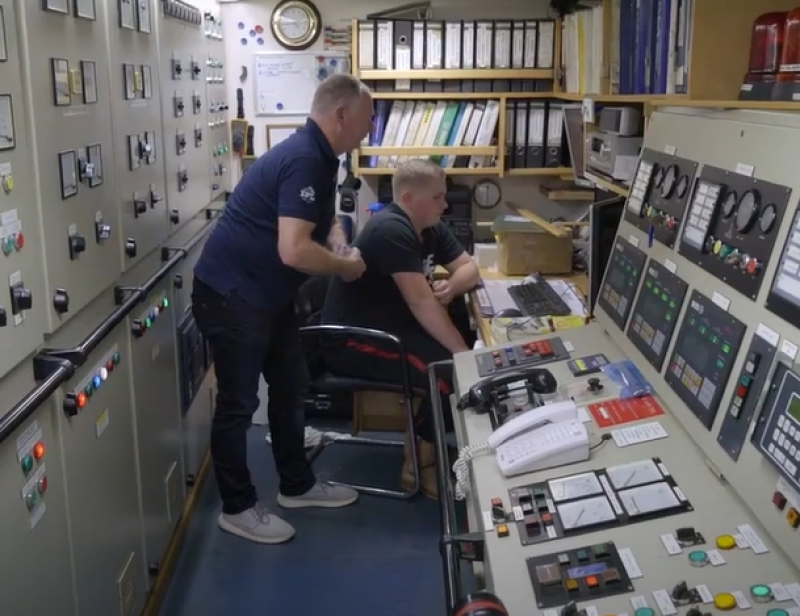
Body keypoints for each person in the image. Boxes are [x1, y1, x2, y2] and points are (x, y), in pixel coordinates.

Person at [191, 73, 374, 544]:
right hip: (233, 294)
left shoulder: (321, 155)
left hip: (267, 294)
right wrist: (344, 267)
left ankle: (297, 485)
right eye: (367, 118)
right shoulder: (303, 157)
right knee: (238, 404)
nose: (370, 128)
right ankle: (237, 507)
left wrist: (337, 238)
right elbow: (293, 250)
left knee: (291, 384)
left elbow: (320, 218)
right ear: (341, 115)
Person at [321, 159, 480, 498]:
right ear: (409, 199)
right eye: (437, 197)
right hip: (352, 340)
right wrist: (464, 356)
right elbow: (421, 304)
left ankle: (424, 446)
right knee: (450, 375)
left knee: (454, 359)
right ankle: (417, 466)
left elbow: (469, 268)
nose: (445, 204)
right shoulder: (391, 230)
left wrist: (452, 287)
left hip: (391, 329)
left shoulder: (429, 225)